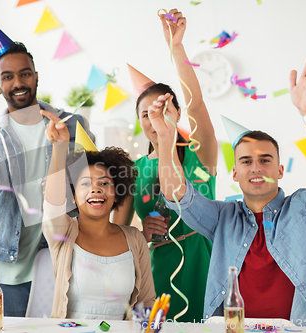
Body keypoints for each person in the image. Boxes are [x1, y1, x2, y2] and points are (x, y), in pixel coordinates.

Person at [152, 54, 306, 332]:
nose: (256, 168)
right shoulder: (222, 218)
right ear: (234, 173)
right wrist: (166, 137)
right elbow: (177, 194)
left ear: (279, 170)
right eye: (246, 161)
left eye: (265, 159)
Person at [0, 18, 94, 317]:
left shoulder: (72, 125)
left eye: (24, 74)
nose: (18, 83)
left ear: (36, 76)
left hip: (63, 257)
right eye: (8, 77)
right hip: (11, 264)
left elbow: (88, 191)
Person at [114, 9, 216, 322]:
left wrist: (176, 49)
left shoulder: (201, 154)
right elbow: (115, 233)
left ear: (177, 112)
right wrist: (140, 234)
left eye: (162, 108)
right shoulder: (134, 169)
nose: (153, 118)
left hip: (203, 267)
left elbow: (197, 103)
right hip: (155, 275)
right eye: (145, 114)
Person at [41, 109, 156, 319]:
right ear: (74, 196)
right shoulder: (63, 232)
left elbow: (147, 303)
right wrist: (59, 147)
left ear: (116, 193)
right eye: (85, 184)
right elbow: (52, 205)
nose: (96, 189)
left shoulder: (135, 239)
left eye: (104, 183)